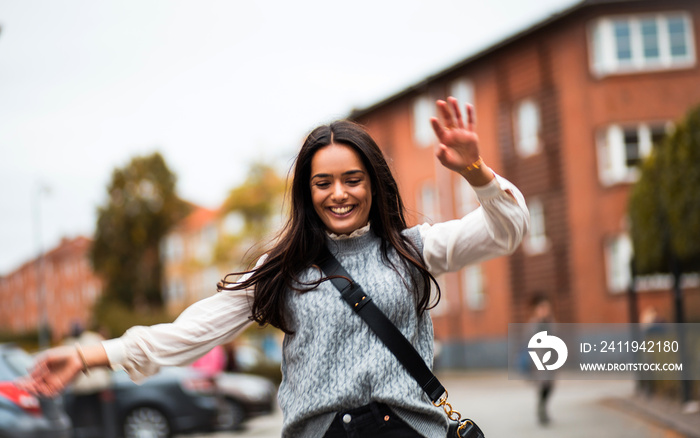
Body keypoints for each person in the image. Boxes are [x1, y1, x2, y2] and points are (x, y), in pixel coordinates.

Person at [20, 97, 529, 437]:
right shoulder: (282, 269)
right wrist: (91, 355)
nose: (339, 194)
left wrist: (475, 172)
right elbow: (192, 331)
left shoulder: (414, 249)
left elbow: (507, 230)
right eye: (323, 182)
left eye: (352, 179)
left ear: (374, 183)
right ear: (307, 193)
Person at [528, 295, 555, 425]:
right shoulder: (535, 324)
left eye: (546, 308)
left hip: (551, 360)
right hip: (539, 360)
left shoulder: (550, 323)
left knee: (550, 386)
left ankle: (542, 408)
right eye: (542, 308)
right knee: (543, 385)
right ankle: (542, 411)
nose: (544, 310)